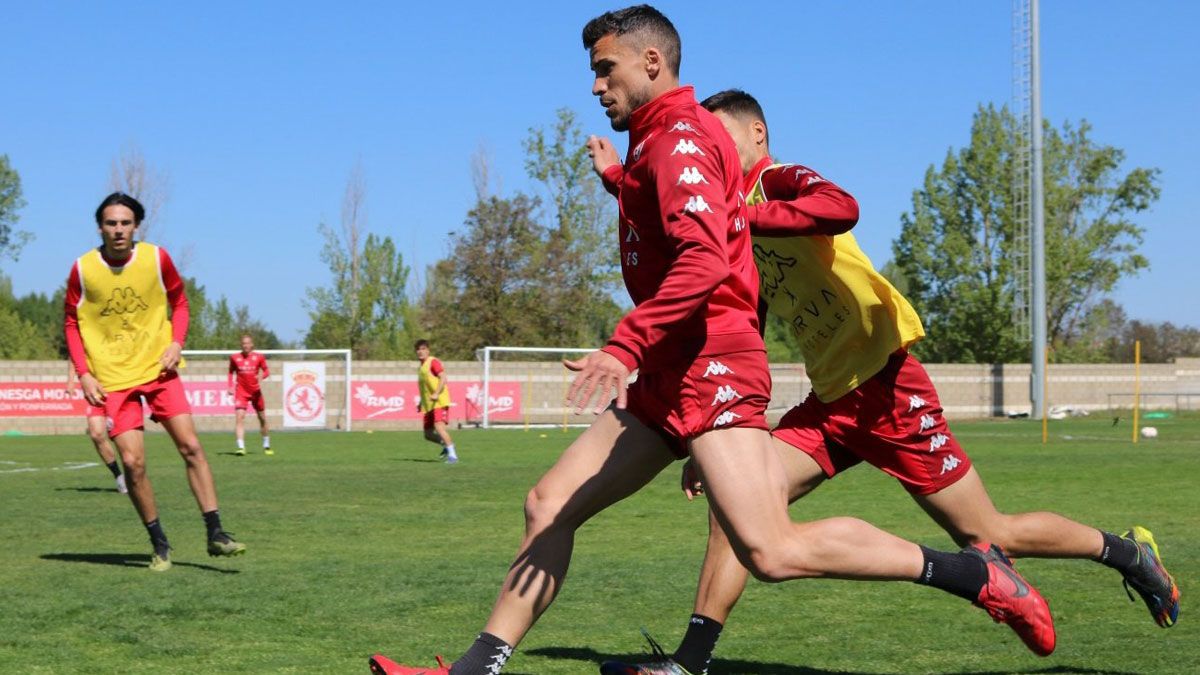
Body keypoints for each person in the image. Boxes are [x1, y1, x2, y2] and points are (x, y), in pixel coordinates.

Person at [369, 8, 1053, 675]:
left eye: (605, 69)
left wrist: (626, 343)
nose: (595, 85)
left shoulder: (682, 139)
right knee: (548, 503)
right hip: (674, 367)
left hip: (712, 363)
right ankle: (473, 669)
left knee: (772, 550)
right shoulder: (660, 141)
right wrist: (616, 178)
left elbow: (703, 259)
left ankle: (972, 571)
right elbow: (691, 216)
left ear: (651, 61)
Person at [599, 89, 1181, 675]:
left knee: (988, 532)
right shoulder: (724, 213)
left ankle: (1129, 554)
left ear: (756, 133)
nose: (711, 150)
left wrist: (742, 213)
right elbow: (745, 315)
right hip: (829, 404)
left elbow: (841, 206)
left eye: (722, 137)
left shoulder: (775, 182)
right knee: (736, 505)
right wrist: (728, 432)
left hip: (887, 389)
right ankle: (689, 662)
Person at [64, 192, 246, 572]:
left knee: (192, 447)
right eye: (111, 223)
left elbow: (179, 302)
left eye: (125, 223)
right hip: (113, 380)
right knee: (133, 463)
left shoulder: (156, 258)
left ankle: (216, 533)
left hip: (159, 372)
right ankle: (159, 544)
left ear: (136, 227)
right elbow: (71, 323)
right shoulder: (82, 269)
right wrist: (83, 372)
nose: (118, 229)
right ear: (100, 226)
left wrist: (176, 342)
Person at [66, 363, 127, 494]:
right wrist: (71, 381)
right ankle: (119, 477)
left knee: (121, 435)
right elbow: (73, 357)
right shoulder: (84, 342)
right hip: (95, 392)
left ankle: (133, 475)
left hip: (118, 389)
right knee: (96, 434)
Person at [415, 339, 457, 464]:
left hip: (439, 401)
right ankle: (447, 445)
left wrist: (437, 393)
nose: (420, 352)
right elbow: (425, 388)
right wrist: (421, 402)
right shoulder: (421, 368)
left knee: (439, 428)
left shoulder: (433, 362)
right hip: (428, 404)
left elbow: (443, 377)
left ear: (428, 350)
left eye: (423, 349)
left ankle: (453, 456)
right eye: (418, 349)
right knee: (428, 434)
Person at [229, 334, 271, 456]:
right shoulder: (234, 357)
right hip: (241, 392)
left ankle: (266, 444)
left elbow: (267, 371)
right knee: (239, 417)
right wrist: (230, 386)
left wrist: (261, 376)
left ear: (252, 345)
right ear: (241, 345)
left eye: (248, 343)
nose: (246, 345)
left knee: (262, 418)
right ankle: (241, 447)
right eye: (244, 343)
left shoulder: (259, 357)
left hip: (256, 392)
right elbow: (230, 372)